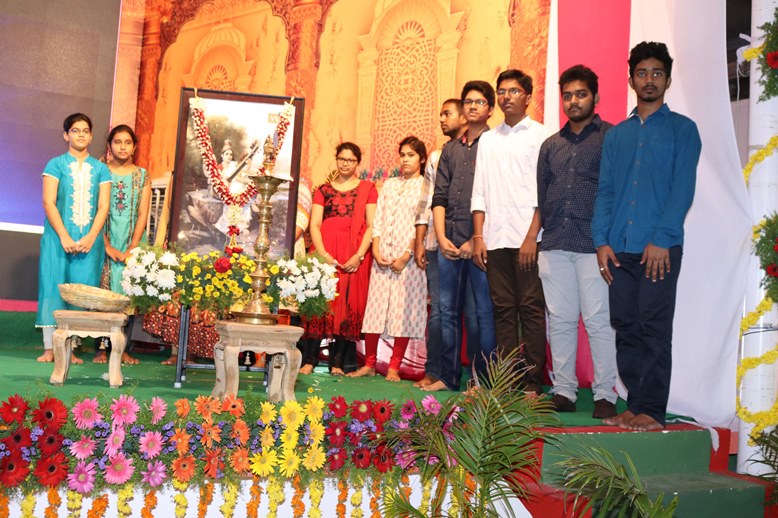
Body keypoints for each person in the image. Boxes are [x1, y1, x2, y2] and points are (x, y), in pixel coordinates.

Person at [592, 42, 700, 431]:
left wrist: (663, 237)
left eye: (657, 73)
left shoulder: (683, 131)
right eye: (642, 73)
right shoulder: (616, 136)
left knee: (653, 326)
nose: (649, 79)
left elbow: (681, 189)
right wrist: (601, 241)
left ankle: (652, 410)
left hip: (660, 249)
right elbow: (605, 191)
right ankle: (635, 405)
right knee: (626, 325)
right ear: (631, 79)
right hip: (618, 247)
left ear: (668, 80)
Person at [537, 65, 617, 417]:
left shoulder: (611, 139)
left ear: (595, 98)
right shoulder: (550, 145)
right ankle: (564, 391)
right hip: (554, 243)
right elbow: (543, 194)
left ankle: (605, 395)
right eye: (567, 95)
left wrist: (608, 239)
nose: (573, 101)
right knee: (561, 320)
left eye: (580, 94)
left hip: (594, 245)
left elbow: (615, 192)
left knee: (599, 320)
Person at [471, 69, 553, 396]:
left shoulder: (543, 136)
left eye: (514, 91)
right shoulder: (488, 139)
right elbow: (480, 190)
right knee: (502, 311)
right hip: (495, 237)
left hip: (529, 238)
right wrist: (479, 236)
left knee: (531, 309)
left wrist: (532, 236)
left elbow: (545, 192)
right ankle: (506, 381)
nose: (507, 97)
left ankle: (533, 382)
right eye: (502, 91)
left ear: (528, 97)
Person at [423, 81, 498, 393]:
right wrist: (441, 238)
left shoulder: (496, 145)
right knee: (446, 313)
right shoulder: (449, 151)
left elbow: (498, 196)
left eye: (480, 102)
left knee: (480, 314)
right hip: (448, 241)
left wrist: (475, 239)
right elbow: (438, 198)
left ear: (490, 109)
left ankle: (482, 381)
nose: (472, 107)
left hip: (482, 243)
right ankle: (448, 377)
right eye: (468, 101)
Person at [413, 99, 481, 389]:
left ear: (464, 118)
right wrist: (420, 239)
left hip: (471, 240)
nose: (442, 119)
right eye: (440, 113)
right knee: (440, 311)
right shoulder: (436, 156)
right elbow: (427, 200)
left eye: (447, 113)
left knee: (475, 313)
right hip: (436, 242)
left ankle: (477, 378)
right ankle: (437, 371)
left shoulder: (484, 150)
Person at [36, 113, 111, 363]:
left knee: (81, 289)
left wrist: (91, 237)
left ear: (91, 136)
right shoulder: (55, 164)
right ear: (66, 135)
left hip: (90, 241)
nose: (81, 134)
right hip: (58, 238)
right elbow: (49, 202)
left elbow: (103, 207)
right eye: (75, 130)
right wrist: (65, 236)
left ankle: (70, 348)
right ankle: (50, 347)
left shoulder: (101, 169)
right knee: (53, 285)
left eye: (86, 130)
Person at [352, 136, 428, 381]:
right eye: (402, 155)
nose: (405, 160)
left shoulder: (427, 187)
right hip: (382, 256)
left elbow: (422, 224)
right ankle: (370, 364)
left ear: (422, 159)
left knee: (402, 312)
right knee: (375, 311)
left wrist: (406, 255)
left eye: (411, 155)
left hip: (409, 260)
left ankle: (394, 367)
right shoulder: (390, 185)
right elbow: (379, 221)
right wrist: (375, 249)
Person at [302, 143, 377, 375]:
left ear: (357, 163)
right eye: (342, 159)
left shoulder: (368, 188)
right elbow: (314, 224)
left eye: (351, 160)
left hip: (354, 253)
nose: (345, 163)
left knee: (347, 306)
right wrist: (322, 254)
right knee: (321, 304)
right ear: (336, 159)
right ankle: (309, 360)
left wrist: (359, 255)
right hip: (325, 251)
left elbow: (372, 225)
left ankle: (338, 363)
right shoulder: (322, 190)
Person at [92, 125, 151, 365]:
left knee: (129, 294)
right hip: (103, 239)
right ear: (109, 145)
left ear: (134, 146)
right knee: (105, 292)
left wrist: (133, 248)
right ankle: (102, 348)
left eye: (128, 142)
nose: (123, 147)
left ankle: (123, 349)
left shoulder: (142, 175)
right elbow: (97, 211)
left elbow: (142, 214)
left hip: (132, 241)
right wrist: (106, 245)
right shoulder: (100, 171)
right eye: (118, 142)